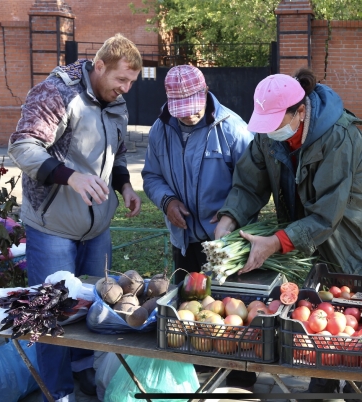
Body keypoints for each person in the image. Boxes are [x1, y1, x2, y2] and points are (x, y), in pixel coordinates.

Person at [214, 68, 362, 399]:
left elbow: (327, 214)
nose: (269, 131)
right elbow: (248, 182)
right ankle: (323, 380)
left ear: (300, 112)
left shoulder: (337, 138)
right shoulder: (269, 132)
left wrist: (276, 242)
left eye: (276, 123)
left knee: (359, 310)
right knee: (325, 305)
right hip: (319, 225)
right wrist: (229, 219)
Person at [8, 34, 143, 401]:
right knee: (49, 314)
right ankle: (57, 391)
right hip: (53, 227)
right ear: (99, 66)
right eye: (121, 80)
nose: (126, 89)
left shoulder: (117, 102)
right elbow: (22, 145)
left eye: (132, 82)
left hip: (97, 228)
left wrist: (126, 186)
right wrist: (71, 176)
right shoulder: (56, 92)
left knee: (96, 308)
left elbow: (119, 154)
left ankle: (84, 372)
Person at [141, 64, 255, 388]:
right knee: (191, 316)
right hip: (185, 242)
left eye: (193, 110)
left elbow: (252, 185)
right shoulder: (159, 130)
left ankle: (241, 379)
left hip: (226, 246)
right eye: (181, 112)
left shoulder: (233, 128)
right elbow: (151, 176)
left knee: (233, 318)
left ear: (205, 93)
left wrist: (231, 215)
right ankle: (194, 376)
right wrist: (167, 202)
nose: (188, 117)